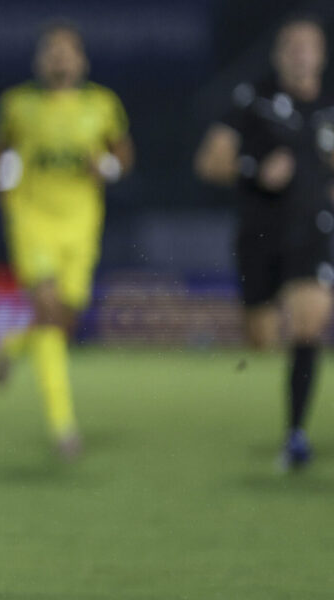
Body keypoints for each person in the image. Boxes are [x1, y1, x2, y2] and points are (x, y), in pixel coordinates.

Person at [0, 22, 134, 459]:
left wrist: (107, 168)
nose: (59, 59)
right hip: (32, 219)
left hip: (81, 223)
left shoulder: (102, 104)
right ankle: (63, 427)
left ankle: (12, 344)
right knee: (48, 310)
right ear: (39, 60)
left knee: (64, 322)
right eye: (52, 52)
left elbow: (123, 154)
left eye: (67, 52)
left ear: (82, 61)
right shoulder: (17, 104)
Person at [195, 14, 334, 471]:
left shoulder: (330, 107)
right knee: (262, 338)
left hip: (313, 233)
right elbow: (209, 163)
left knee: (308, 326)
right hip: (259, 234)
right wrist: (254, 171)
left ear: (321, 55)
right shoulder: (252, 100)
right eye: (291, 46)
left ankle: (295, 435)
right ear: (277, 55)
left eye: (308, 47)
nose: (299, 55)